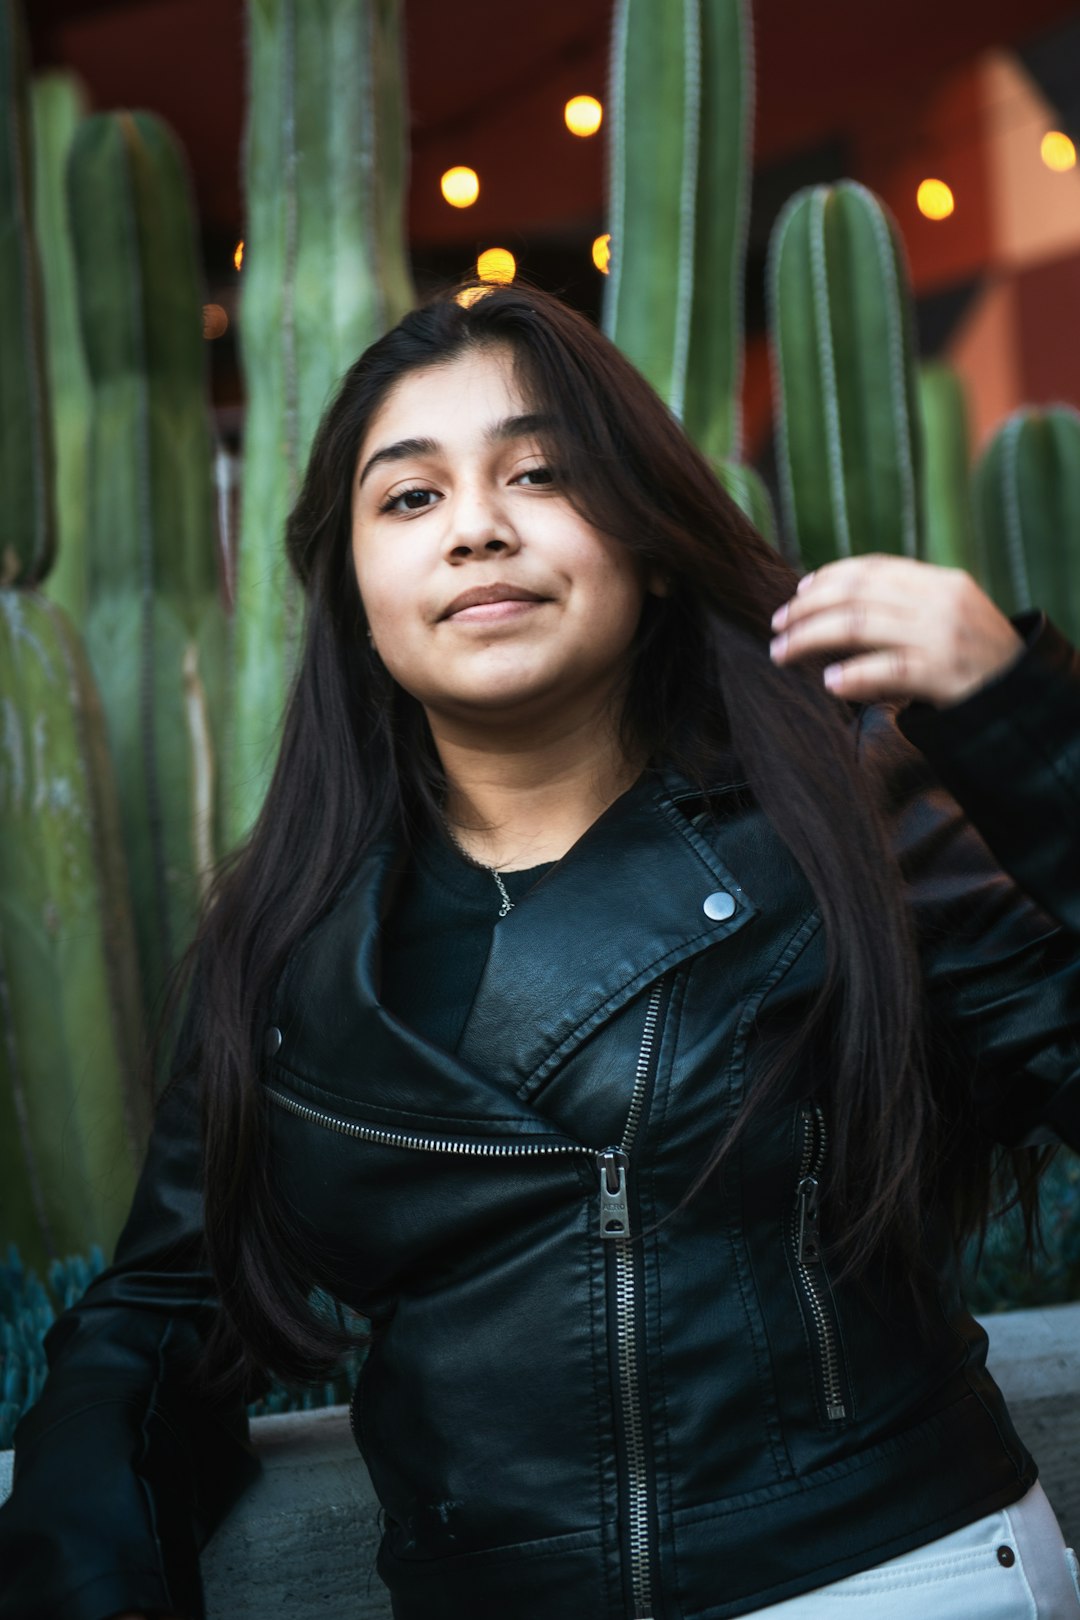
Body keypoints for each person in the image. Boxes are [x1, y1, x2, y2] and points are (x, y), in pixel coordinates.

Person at [1, 278, 1078, 1620]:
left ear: (657, 540)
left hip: (888, 1577)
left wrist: (1033, 731)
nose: (476, 531)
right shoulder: (290, 952)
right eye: (411, 498)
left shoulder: (842, 808)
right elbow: (161, 1323)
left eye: (541, 474)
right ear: (354, 589)